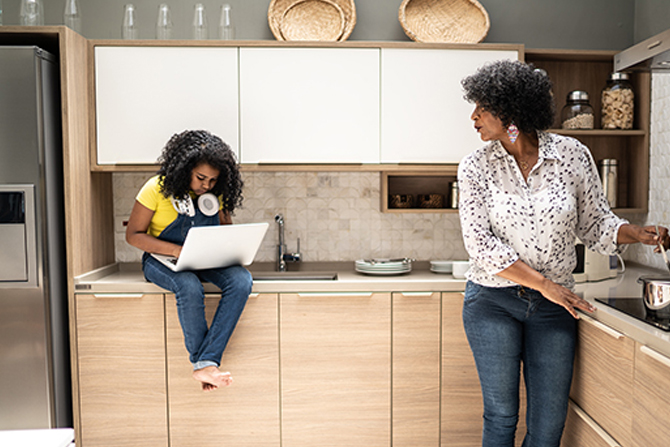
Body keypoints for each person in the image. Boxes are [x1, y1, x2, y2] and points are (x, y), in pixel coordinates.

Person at [457, 60, 670, 447]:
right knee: (502, 416)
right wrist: (544, 285)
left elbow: (595, 224)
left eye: (482, 107)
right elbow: (481, 246)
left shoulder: (572, 155)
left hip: (555, 308)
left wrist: (633, 233)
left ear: (511, 112)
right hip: (492, 301)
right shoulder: (475, 167)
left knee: (549, 424)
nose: (473, 117)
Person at [126, 129, 251, 392]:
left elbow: (223, 234)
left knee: (241, 280)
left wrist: (227, 225)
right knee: (188, 285)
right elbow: (133, 236)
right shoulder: (155, 189)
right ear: (185, 169)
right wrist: (175, 251)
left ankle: (205, 364)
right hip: (161, 260)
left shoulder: (214, 194)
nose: (206, 186)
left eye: (213, 180)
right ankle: (204, 365)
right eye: (201, 178)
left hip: (203, 259)